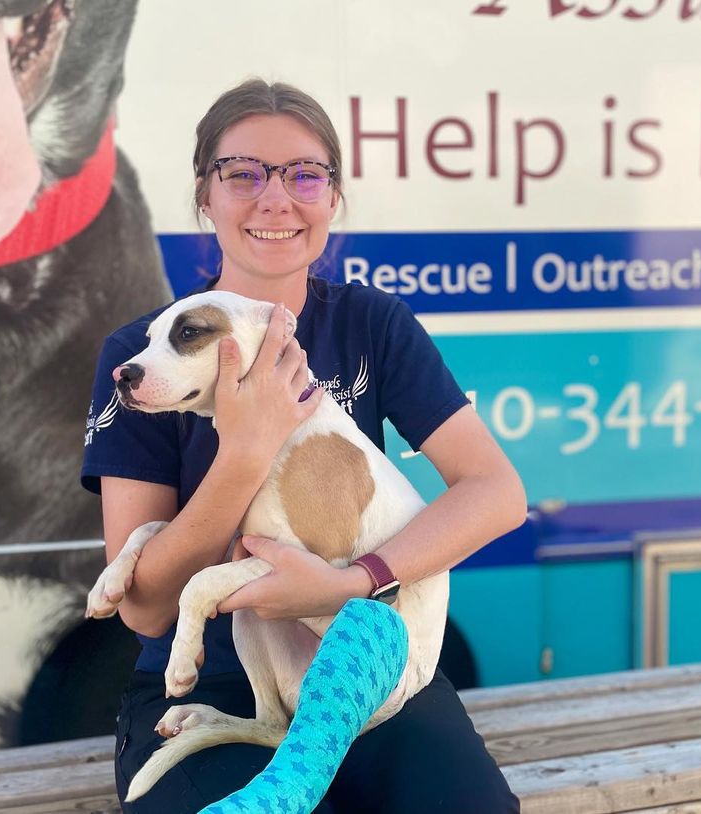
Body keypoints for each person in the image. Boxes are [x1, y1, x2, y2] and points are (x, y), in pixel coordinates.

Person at [81, 78, 526, 813]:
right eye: (243, 173)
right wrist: (247, 452)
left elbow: (496, 493)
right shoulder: (142, 357)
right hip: (212, 682)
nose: (275, 198)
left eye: (304, 175)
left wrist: (354, 584)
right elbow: (148, 611)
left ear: (331, 199)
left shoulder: (374, 323)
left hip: (366, 669)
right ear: (205, 196)